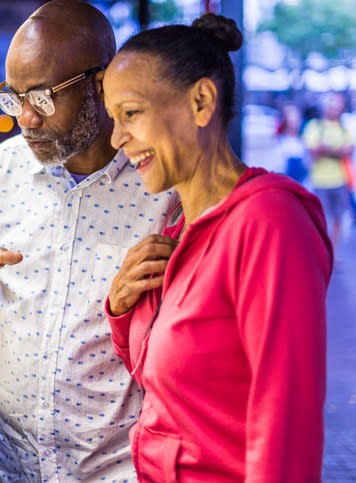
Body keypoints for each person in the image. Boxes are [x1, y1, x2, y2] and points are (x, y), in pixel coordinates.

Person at [0, 1, 177, 480]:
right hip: (12, 466)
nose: (24, 117)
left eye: (43, 96)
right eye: (12, 97)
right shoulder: (6, 168)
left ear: (101, 83)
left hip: (117, 471)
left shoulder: (162, 187)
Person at [102, 13, 332, 481]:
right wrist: (122, 307)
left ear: (202, 101)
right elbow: (168, 383)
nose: (116, 139)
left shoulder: (269, 222)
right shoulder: (177, 230)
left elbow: (286, 428)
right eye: (113, 119)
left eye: (131, 113)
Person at [302, 91, 354, 249]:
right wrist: (336, 151)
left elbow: (349, 151)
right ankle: (320, 252)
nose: (334, 108)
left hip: (340, 180)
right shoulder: (314, 126)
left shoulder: (345, 128)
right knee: (319, 220)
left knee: (338, 218)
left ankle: (333, 252)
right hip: (320, 181)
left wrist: (326, 149)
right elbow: (313, 151)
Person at [276, 103, 310, 185]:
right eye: (290, 117)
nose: (294, 121)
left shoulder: (304, 140)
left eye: (296, 117)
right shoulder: (280, 142)